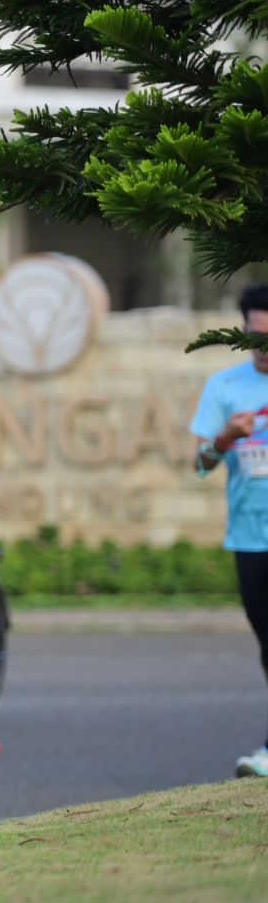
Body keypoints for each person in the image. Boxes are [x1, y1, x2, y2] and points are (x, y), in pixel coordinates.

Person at [191, 284, 268, 778]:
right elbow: (201, 464)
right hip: (250, 536)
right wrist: (225, 437)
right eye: (255, 336)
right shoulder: (224, 386)